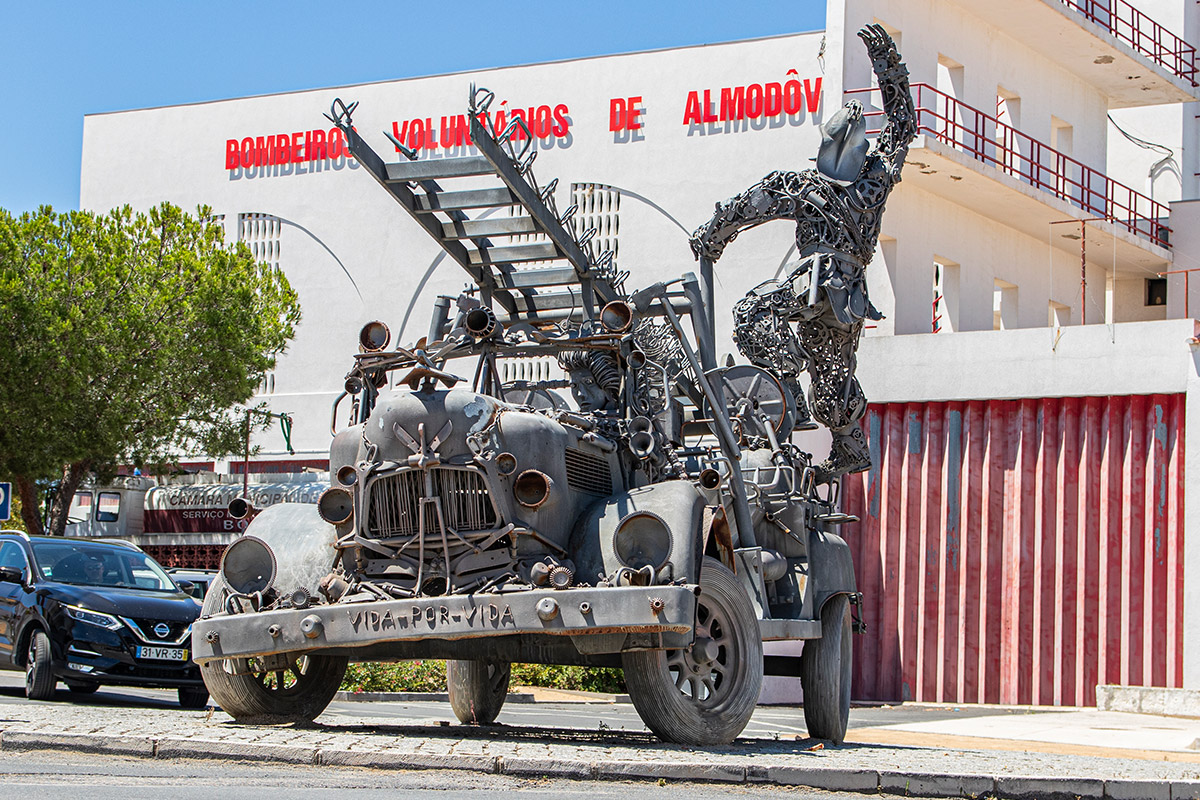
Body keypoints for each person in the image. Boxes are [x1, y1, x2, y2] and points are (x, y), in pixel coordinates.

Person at [689, 24, 916, 483]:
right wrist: (887, 64)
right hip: (848, 302)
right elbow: (903, 125)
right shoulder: (874, 183)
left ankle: (788, 388)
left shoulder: (816, 186)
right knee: (832, 378)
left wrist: (713, 234)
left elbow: (754, 202)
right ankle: (847, 442)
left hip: (817, 285)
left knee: (754, 313)